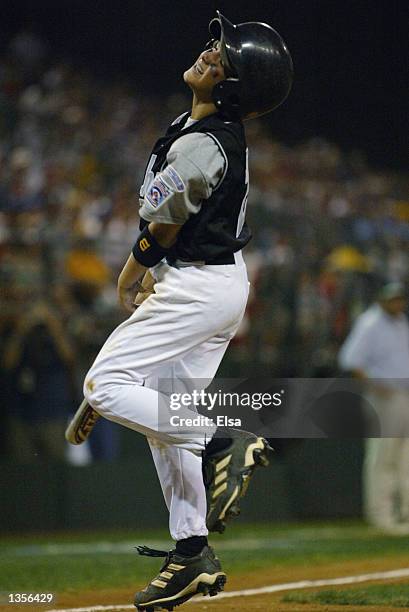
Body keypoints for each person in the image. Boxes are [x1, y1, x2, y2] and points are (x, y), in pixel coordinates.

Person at [72, 12, 293, 610]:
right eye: (216, 46)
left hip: (195, 285)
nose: (208, 53)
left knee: (106, 384)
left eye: (222, 58)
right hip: (211, 284)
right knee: (164, 422)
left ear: (231, 89)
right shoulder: (196, 125)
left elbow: (164, 226)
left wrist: (130, 277)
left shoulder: (202, 142)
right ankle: (191, 551)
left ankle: (223, 436)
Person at [338, 282, 409, 534]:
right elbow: (350, 359)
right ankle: (381, 514)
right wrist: (373, 385)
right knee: (382, 456)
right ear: (382, 300)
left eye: (400, 299)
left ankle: (404, 513)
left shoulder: (401, 322)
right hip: (384, 397)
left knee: (404, 457)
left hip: (404, 396)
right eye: (393, 299)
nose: (398, 304)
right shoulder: (370, 323)